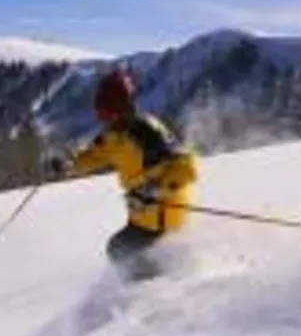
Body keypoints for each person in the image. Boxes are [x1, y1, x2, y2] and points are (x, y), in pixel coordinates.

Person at [48, 69, 198, 279]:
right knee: (120, 251)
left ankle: (157, 287)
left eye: (107, 113)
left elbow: (186, 167)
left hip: (163, 215)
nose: (103, 119)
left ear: (123, 107)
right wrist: (69, 164)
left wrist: (154, 189)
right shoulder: (115, 134)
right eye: (100, 113)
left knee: (119, 250)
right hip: (142, 214)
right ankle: (151, 282)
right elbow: (94, 156)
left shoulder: (147, 132)